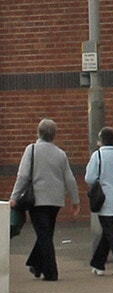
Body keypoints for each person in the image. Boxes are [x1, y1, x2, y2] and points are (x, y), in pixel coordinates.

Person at [11, 118, 80, 282]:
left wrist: (14, 197)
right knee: (46, 233)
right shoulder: (60, 153)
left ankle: (51, 273)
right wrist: (75, 200)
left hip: (37, 199)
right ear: (54, 135)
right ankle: (36, 264)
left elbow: (23, 176)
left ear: (38, 132)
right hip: (55, 200)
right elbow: (69, 178)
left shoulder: (32, 150)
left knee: (44, 235)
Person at [83, 128, 113, 277]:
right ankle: (98, 263)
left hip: (104, 200)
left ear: (101, 140)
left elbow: (89, 178)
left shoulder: (97, 156)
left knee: (110, 235)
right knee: (108, 233)